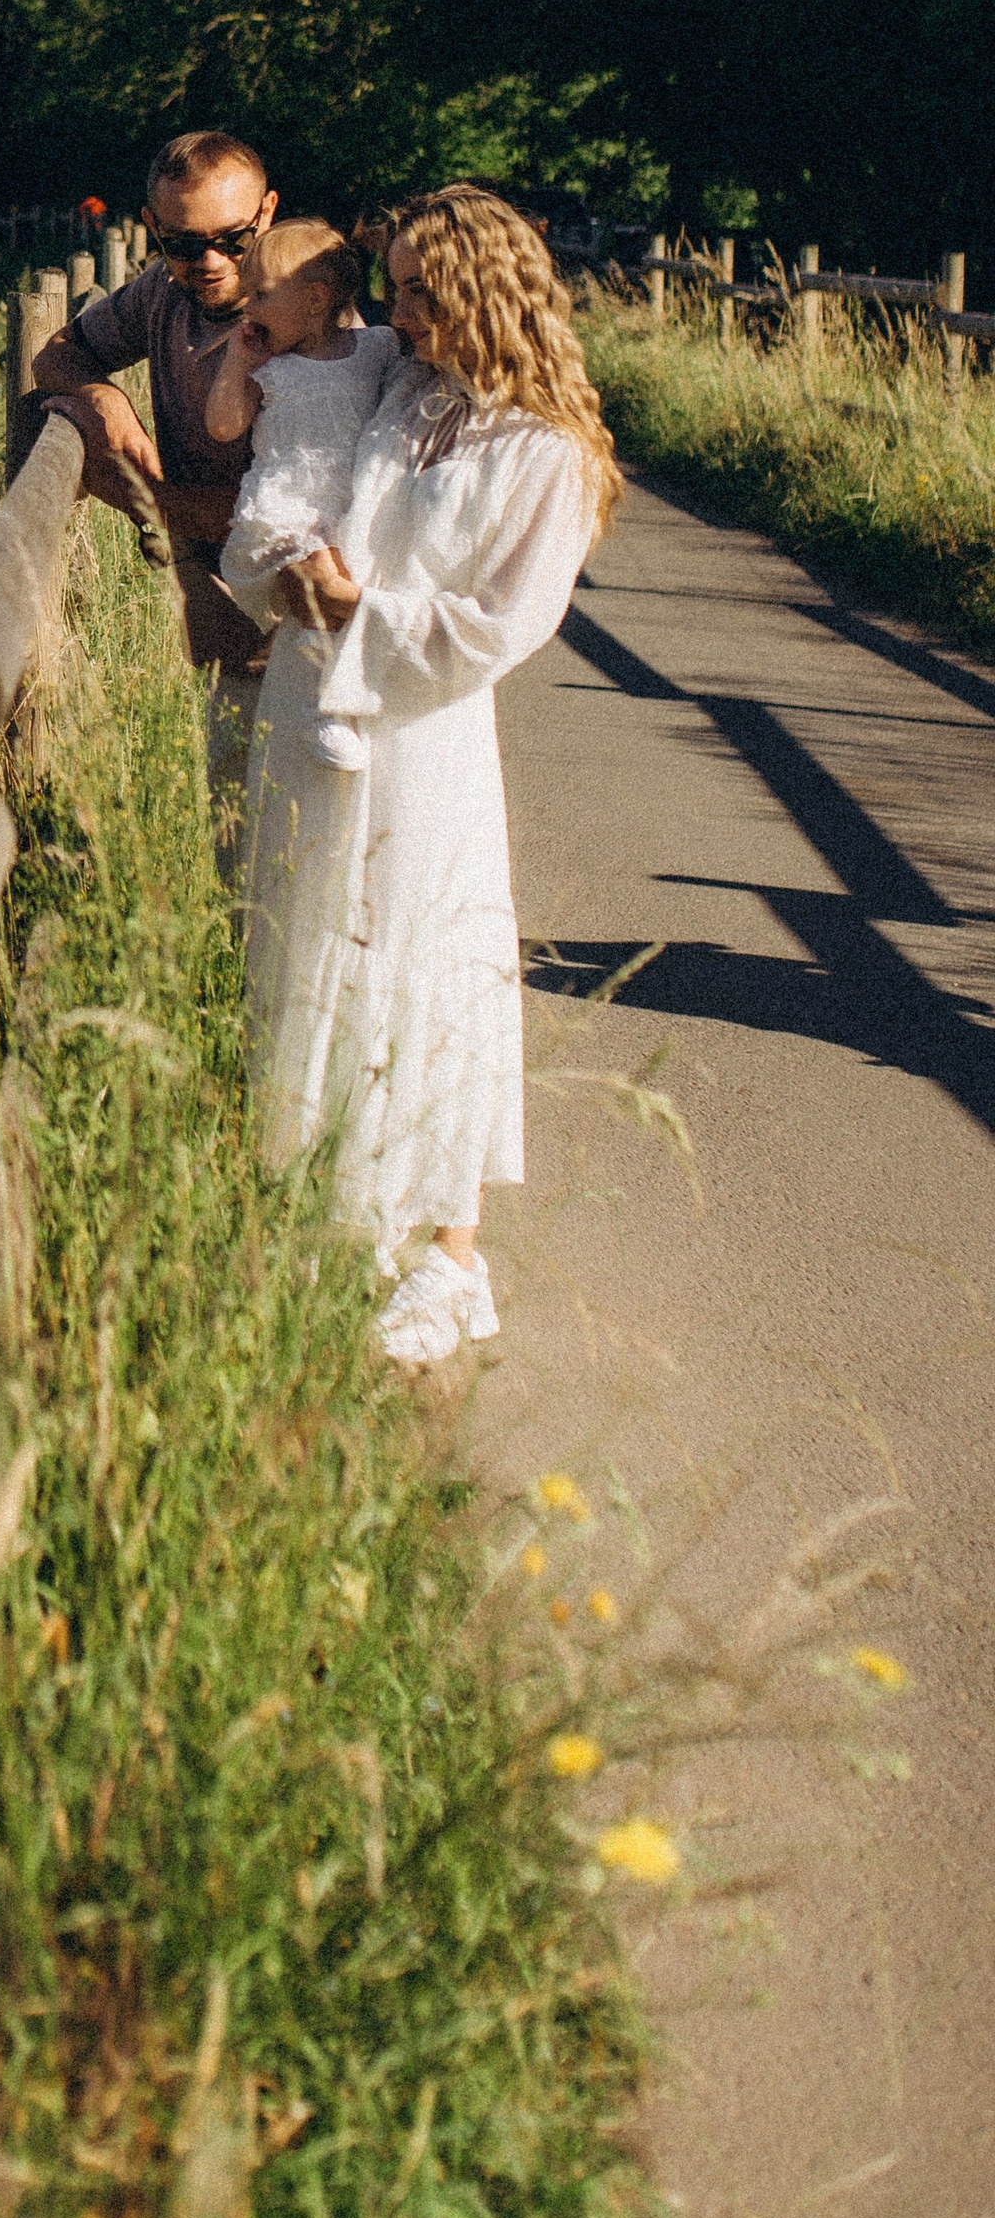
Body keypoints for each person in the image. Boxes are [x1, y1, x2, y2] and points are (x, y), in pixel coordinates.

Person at [225, 185, 621, 1368]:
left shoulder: (545, 452)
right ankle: (334, 1213)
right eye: (392, 286)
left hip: (421, 730)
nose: (394, 311)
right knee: (310, 943)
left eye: (415, 289)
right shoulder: (402, 386)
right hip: (311, 702)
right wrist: (289, 567)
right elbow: (295, 466)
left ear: (480, 293)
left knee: (423, 953)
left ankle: (448, 1253)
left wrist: (365, 610)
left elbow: (503, 626)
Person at [31, 128, 279, 679]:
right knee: (228, 746)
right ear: (153, 228)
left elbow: (289, 515)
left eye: (233, 239)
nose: (210, 261)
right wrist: (104, 397)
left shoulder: (307, 321)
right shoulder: (164, 290)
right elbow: (55, 357)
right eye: (185, 244)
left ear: (267, 213)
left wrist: (151, 502)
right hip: (208, 579)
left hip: (295, 601)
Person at [201, 220, 402, 773]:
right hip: (288, 509)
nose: (248, 306)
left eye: (261, 295)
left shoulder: (376, 349)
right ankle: (321, 705)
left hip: (353, 507)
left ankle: (343, 708)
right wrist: (239, 361)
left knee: (347, 590)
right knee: (314, 593)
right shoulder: (273, 367)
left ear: (314, 299)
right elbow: (223, 426)